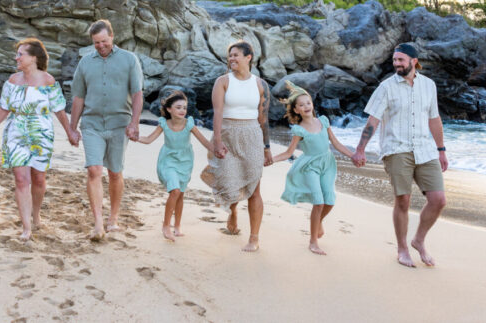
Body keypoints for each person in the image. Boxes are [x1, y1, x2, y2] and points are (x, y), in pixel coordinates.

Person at [351, 42, 448, 268]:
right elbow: (373, 120)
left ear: (413, 62)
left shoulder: (429, 86)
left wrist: (441, 150)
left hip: (425, 149)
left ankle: (419, 241)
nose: (396, 64)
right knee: (403, 200)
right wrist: (360, 148)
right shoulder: (386, 87)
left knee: (439, 200)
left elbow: (434, 119)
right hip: (396, 148)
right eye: (394, 60)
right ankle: (402, 248)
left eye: (400, 60)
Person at [0, 38, 78, 241]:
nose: (17, 57)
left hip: (41, 134)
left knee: (39, 179)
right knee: (22, 179)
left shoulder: (48, 81)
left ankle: (36, 214)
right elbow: (4, 109)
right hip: (16, 132)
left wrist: (70, 132)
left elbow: (59, 110)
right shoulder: (12, 81)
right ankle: (26, 227)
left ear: (33, 58)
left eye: (20, 54)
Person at [69, 19, 144, 240]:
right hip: (91, 124)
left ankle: (113, 217)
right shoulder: (85, 63)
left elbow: (138, 94)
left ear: (112, 36)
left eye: (103, 41)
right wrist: (72, 128)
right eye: (96, 43)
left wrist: (135, 123)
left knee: (115, 173)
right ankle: (98, 224)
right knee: (94, 170)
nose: (100, 46)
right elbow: (78, 97)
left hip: (120, 123)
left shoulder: (130, 60)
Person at [206, 41, 273, 252]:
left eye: (236, 55)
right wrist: (217, 141)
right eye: (230, 56)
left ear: (248, 57)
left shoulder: (260, 85)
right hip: (227, 134)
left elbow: (264, 118)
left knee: (254, 188)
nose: (232, 59)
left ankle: (254, 238)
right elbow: (217, 112)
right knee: (230, 182)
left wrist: (267, 147)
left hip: (252, 136)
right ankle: (233, 212)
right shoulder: (222, 81)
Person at [272, 88, 354, 255]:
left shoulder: (323, 121)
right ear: (296, 110)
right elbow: (289, 153)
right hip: (310, 166)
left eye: (308, 102)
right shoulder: (299, 130)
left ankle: (319, 222)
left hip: (327, 163)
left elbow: (336, 144)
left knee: (329, 201)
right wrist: (271, 159)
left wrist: (354, 156)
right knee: (319, 202)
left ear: (312, 104)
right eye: (301, 105)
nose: (306, 106)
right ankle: (313, 242)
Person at [137, 90, 214, 241]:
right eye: (178, 107)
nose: (182, 110)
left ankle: (177, 226)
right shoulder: (164, 124)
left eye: (184, 108)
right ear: (169, 109)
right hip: (168, 161)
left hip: (185, 162)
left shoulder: (189, 124)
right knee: (175, 191)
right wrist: (135, 137)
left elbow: (205, 142)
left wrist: (218, 150)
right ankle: (166, 226)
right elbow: (148, 139)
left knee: (180, 194)